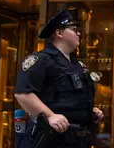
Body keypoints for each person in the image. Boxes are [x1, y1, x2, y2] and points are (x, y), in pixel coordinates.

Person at [14, 8, 104, 148]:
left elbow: (71, 99)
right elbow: (22, 94)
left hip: (78, 139)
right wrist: (50, 115)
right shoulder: (41, 60)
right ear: (59, 33)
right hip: (52, 139)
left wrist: (89, 111)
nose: (79, 33)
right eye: (74, 29)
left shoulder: (77, 64)